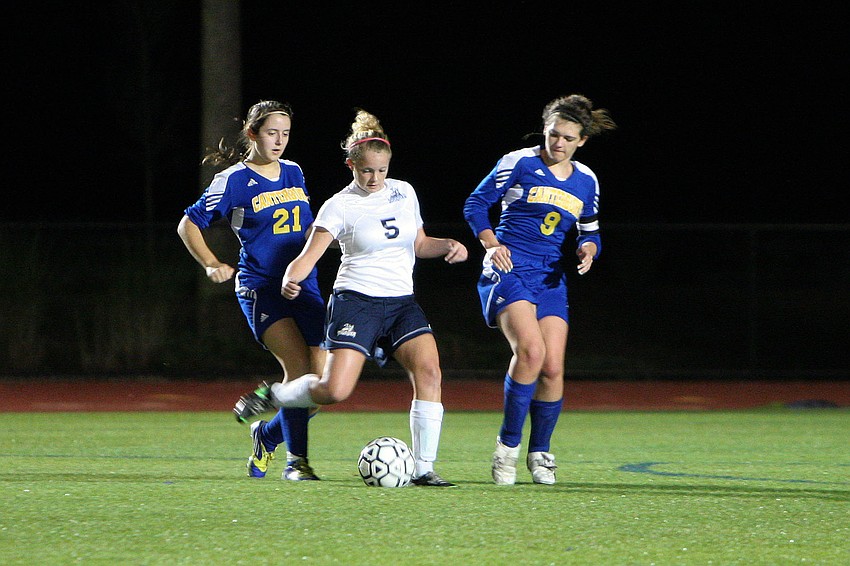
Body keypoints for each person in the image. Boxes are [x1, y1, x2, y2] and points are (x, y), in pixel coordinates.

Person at [234, 109, 468, 487]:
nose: (374, 179)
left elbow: (419, 243)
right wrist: (293, 276)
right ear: (351, 165)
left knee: (429, 371)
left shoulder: (404, 192)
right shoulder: (340, 205)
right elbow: (309, 253)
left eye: (381, 170)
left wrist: (448, 245)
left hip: (402, 303)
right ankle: (273, 395)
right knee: (334, 390)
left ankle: (424, 468)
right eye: (366, 171)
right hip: (356, 301)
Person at [462, 94, 616, 485]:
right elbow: (476, 204)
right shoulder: (519, 162)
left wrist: (589, 248)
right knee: (530, 351)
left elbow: (591, 229)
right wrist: (492, 244)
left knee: (552, 367)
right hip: (508, 267)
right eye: (553, 134)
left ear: (581, 141)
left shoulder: (586, 180)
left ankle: (540, 453)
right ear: (544, 130)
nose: (558, 143)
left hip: (550, 278)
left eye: (567, 137)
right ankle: (507, 450)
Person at [178, 99, 326, 481]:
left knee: (321, 389)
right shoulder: (233, 180)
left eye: (286, 133)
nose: (279, 141)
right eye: (272, 132)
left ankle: (266, 434)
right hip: (261, 286)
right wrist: (212, 263)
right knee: (297, 372)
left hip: (304, 285)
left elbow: (303, 228)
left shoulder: (294, 172)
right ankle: (298, 463)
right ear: (252, 134)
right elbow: (188, 224)